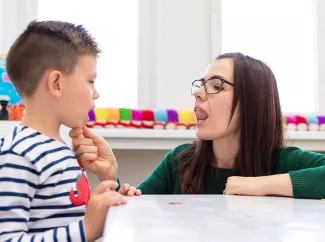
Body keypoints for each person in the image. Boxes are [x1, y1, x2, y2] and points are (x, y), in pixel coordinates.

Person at [73, 52, 325, 199]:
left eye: (217, 86)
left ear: (252, 103)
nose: (198, 94)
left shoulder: (282, 161)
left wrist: (258, 185)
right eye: (201, 84)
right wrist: (109, 176)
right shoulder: (179, 161)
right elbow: (132, 217)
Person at [0, 20, 130, 242]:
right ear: (57, 84)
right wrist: (87, 230)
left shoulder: (60, 149)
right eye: (90, 81)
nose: (95, 93)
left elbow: (64, 221)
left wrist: (108, 202)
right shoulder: (19, 155)